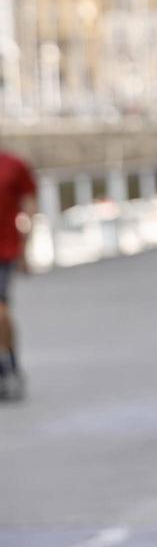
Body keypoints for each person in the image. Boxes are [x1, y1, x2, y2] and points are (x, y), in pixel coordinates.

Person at [0, 150, 37, 401]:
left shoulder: (14, 165)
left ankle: (8, 366)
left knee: (0, 309)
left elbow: (30, 206)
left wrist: (26, 250)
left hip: (5, 249)